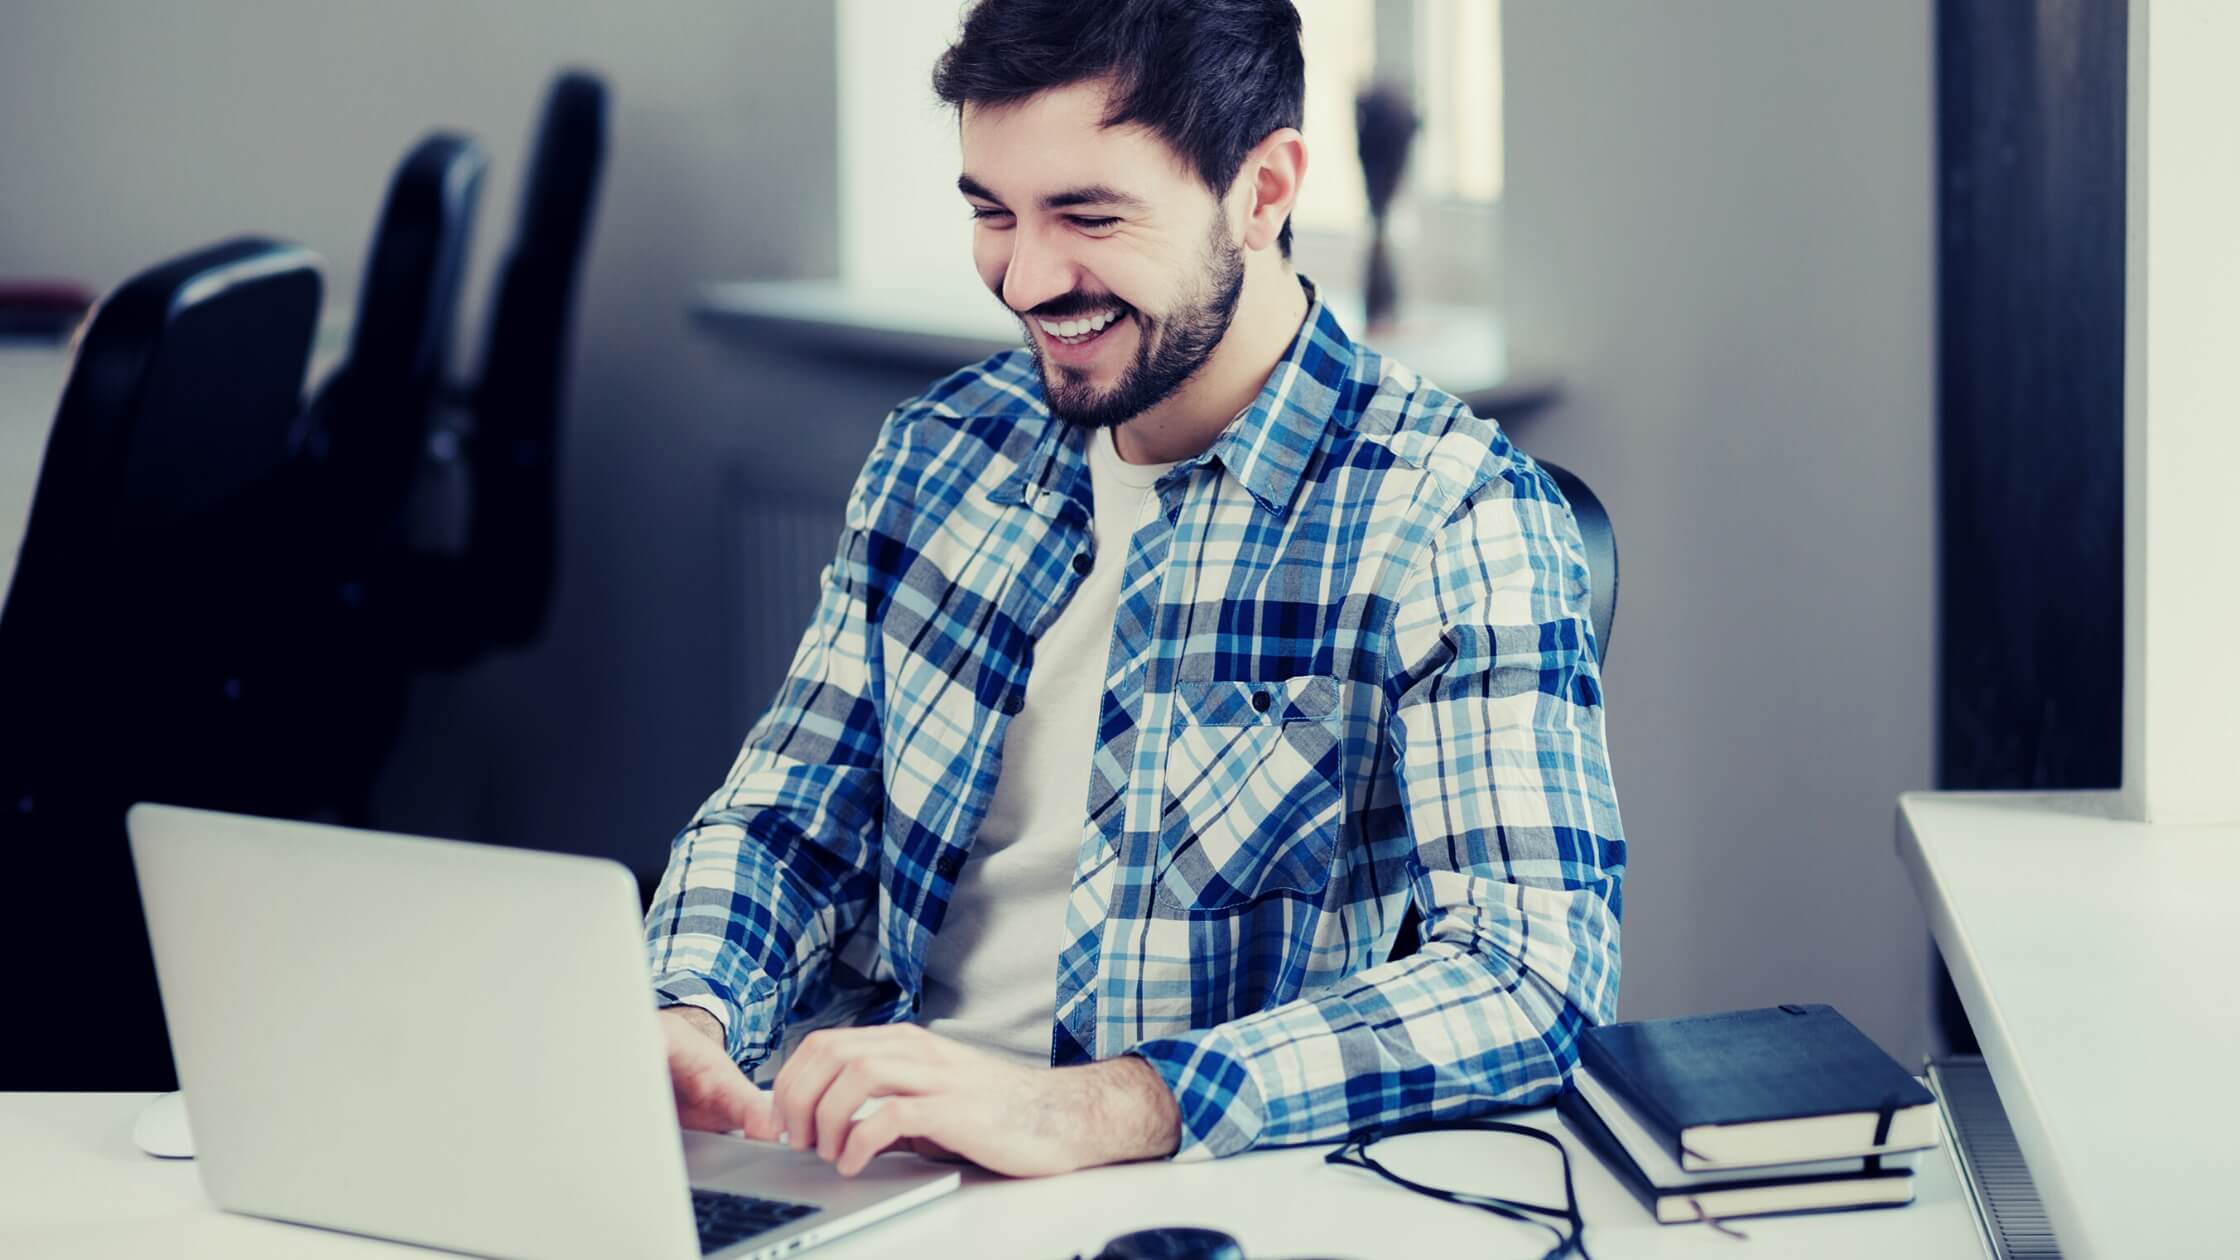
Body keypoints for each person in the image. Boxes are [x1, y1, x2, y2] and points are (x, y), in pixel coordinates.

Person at [646, 0, 1625, 1179]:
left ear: (1262, 193)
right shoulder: (939, 449)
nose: (1023, 277)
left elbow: (1530, 981)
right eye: (991, 212)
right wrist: (685, 1012)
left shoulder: (1451, 515)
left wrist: (1088, 1110)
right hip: (861, 1164)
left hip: (1171, 1195)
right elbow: (787, 820)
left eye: (1087, 215)